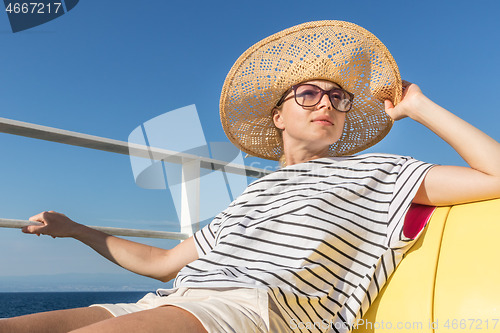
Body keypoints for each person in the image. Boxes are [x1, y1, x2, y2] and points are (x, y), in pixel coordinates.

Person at [2, 20, 500, 333]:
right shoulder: (253, 194)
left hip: (256, 314)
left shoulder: (379, 173)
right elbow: (163, 262)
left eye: (337, 97)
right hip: (175, 301)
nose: (326, 101)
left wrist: (418, 105)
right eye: (308, 93)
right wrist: (74, 230)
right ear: (278, 116)